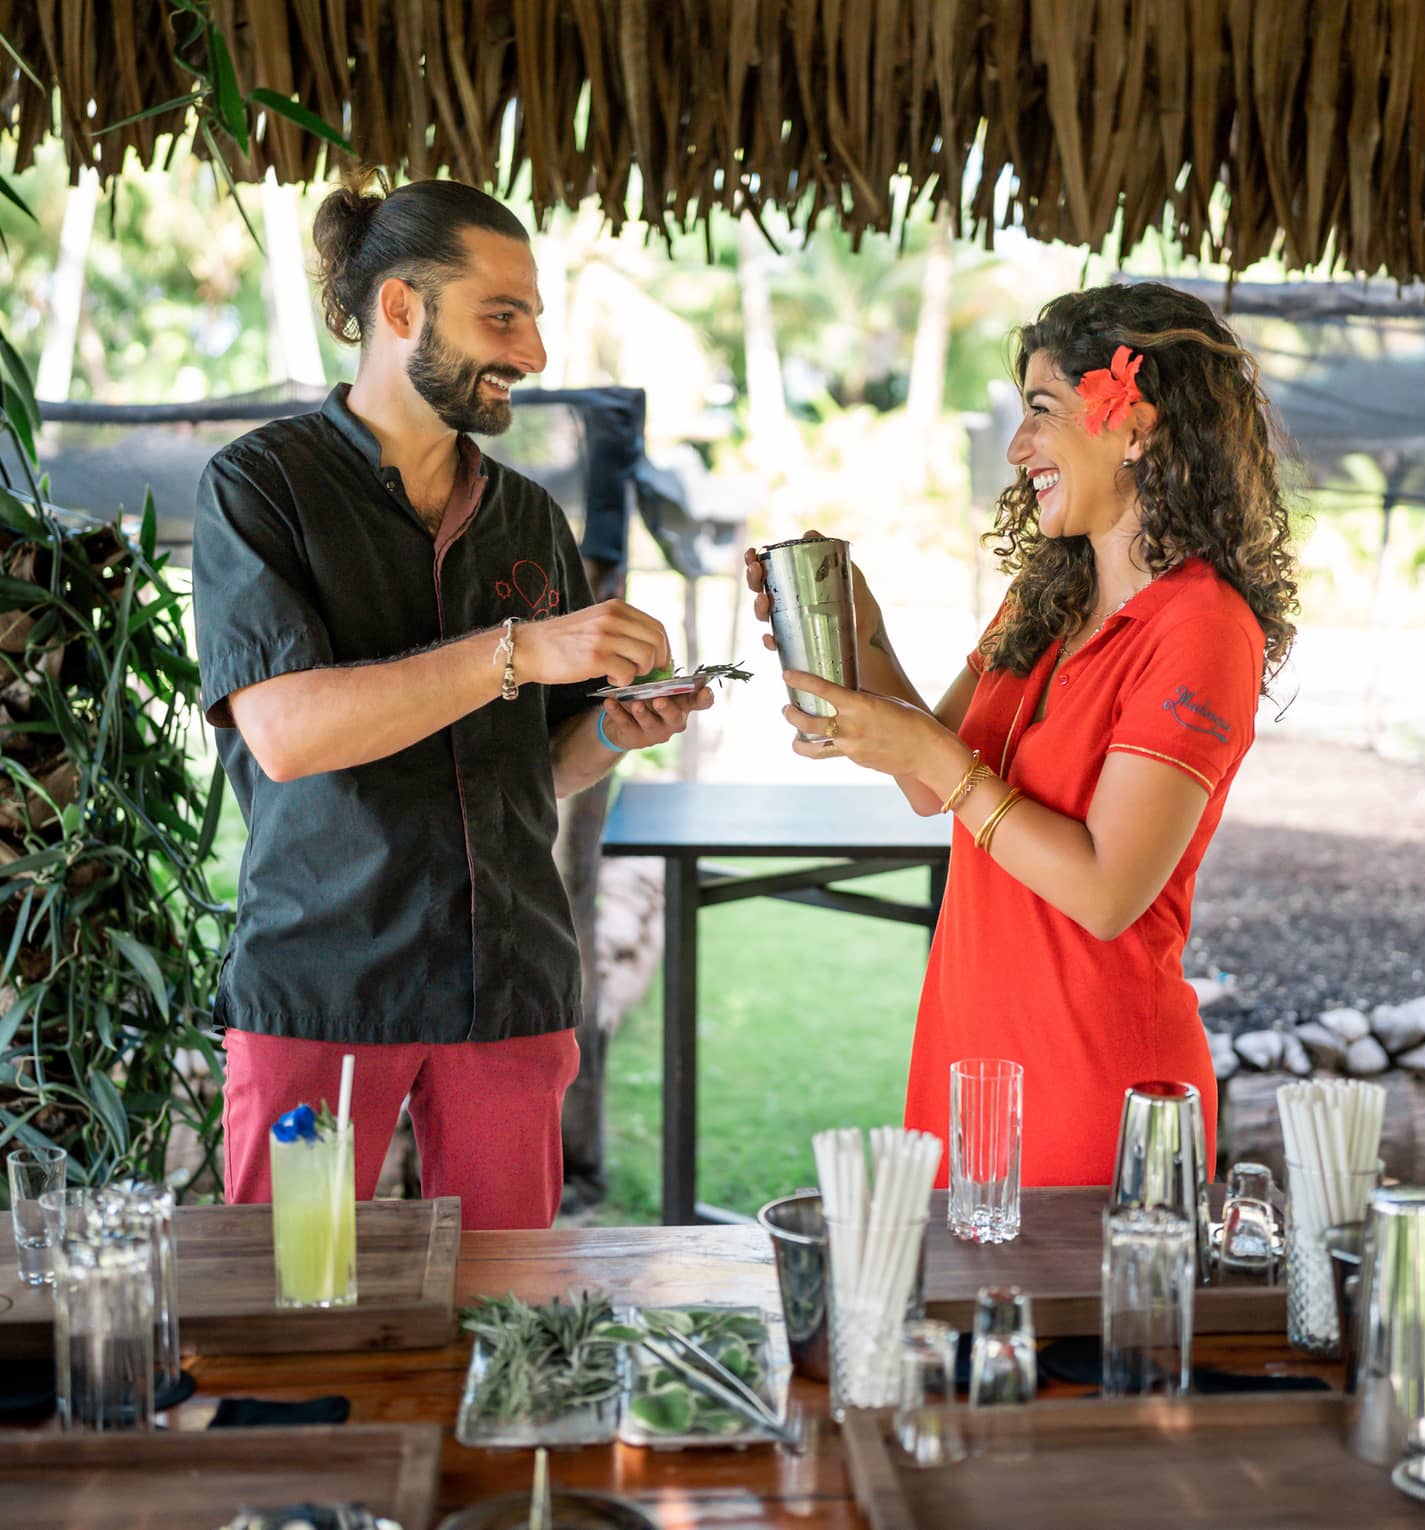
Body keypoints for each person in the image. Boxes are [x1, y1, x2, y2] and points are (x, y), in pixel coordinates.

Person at [193, 170, 712, 1229]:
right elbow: (287, 735)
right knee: (294, 1313)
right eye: (502, 315)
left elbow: (537, 761)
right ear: (400, 310)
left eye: (533, 318)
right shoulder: (261, 488)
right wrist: (517, 649)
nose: (532, 354)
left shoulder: (528, 518)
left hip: (508, 990)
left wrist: (614, 727)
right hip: (326, 984)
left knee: (509, 1331)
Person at [746, 282, 1298, 1185]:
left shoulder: (1202, 628)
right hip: (971, 1067)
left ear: (1136, 424)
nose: (1016, 447)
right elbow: (934, 780)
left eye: (1041, 411)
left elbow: (1106, 890)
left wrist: (935, 758)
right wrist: (859, 630)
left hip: (1094, 1095)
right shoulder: (1047, 599)